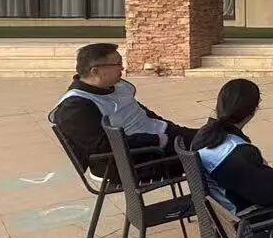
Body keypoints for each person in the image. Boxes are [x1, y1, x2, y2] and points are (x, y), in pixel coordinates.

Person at [51, 42, 194, 180]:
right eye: (117, 64)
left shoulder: (115, 86)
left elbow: (141, 113)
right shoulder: (75, 106)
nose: (122, 68)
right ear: (96, 71)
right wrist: (157, 140)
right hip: (132, 160)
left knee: (206, 137)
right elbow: (104, 146)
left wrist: (171, 128)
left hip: (158, 138)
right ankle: (201, 192)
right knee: (202, 154)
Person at [191, 78, 273, 213]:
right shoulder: (236, 152)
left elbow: (254, 179)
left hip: (229, 206)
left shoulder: (205, 135)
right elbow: (271, 194)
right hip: (248, 218)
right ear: (252, 111)